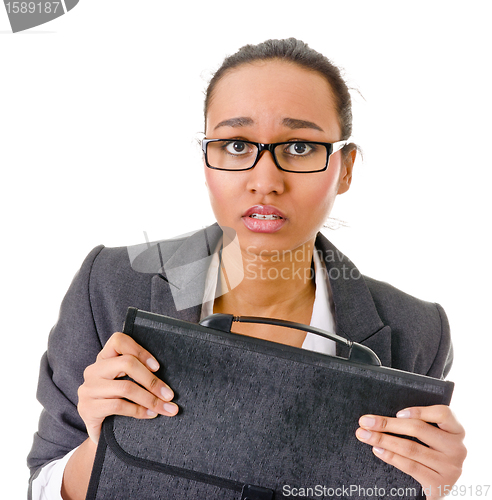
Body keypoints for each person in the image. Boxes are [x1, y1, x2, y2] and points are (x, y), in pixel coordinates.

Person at [27, 38, 466, 500]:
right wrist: (102, 440)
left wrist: (425, 491)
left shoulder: (417, 331)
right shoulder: (111, 285)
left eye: (299, 147)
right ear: (206, 161)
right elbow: (40, 485)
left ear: (346, 169)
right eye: (236, 145)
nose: (265, 182)